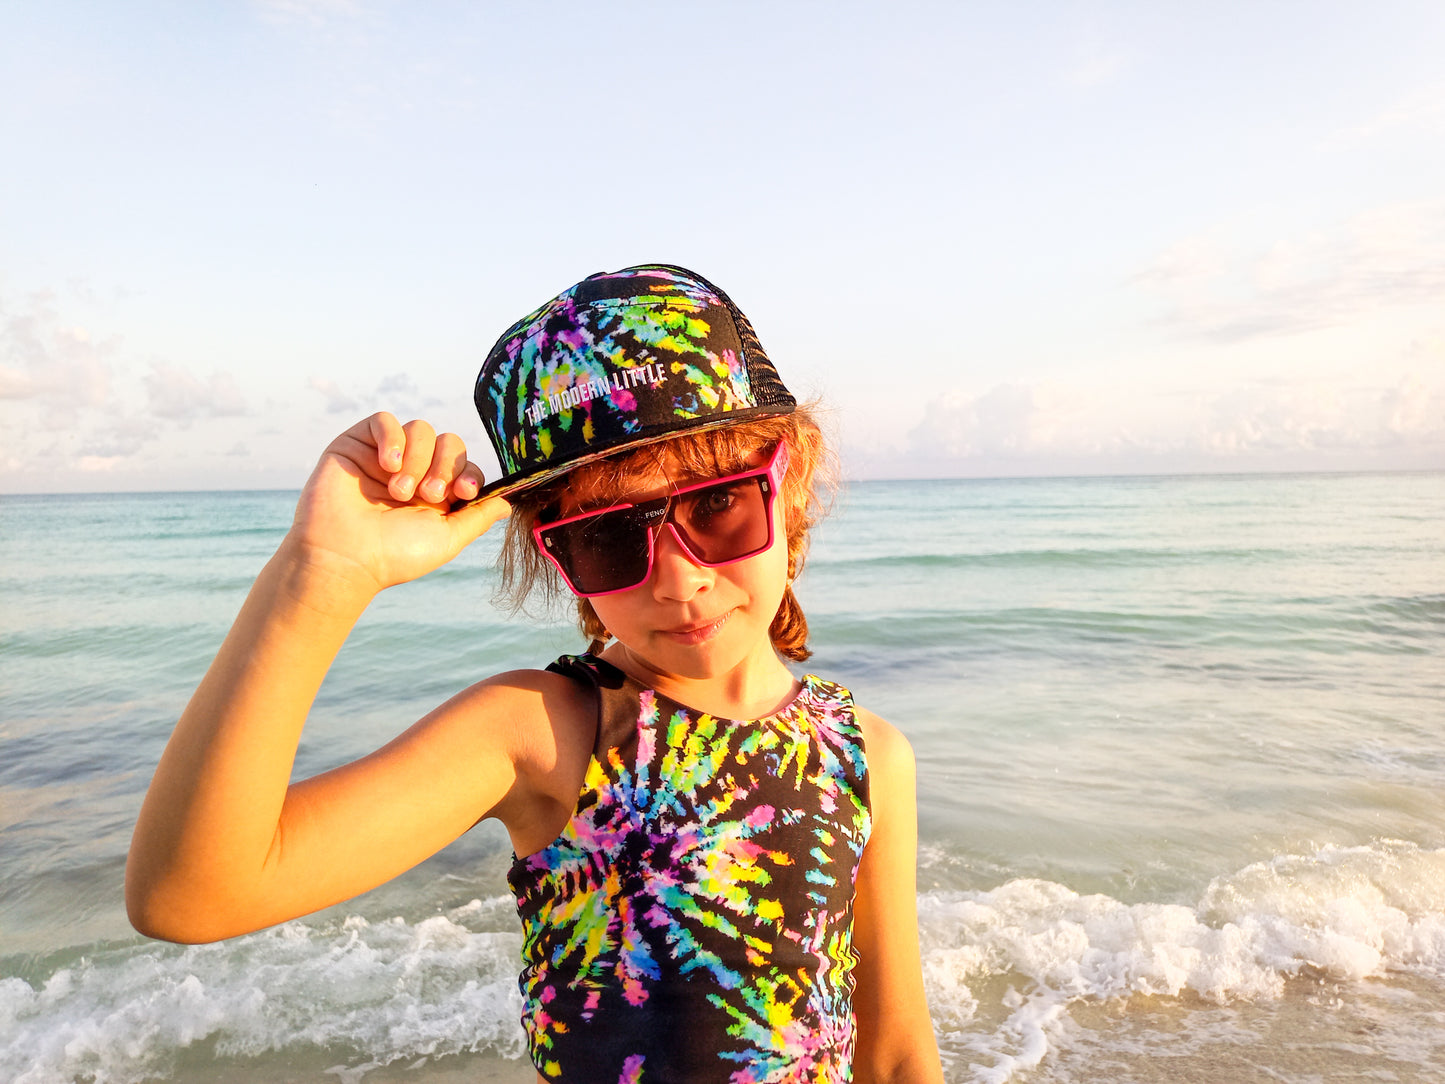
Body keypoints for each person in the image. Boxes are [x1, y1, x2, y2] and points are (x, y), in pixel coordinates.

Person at [127, 264, 944, 1083]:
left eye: (716, 505)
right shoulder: (547, 730)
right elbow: (189, 895)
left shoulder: (867, 752)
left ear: (790, 477)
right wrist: (325, 570)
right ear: (556, 554)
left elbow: (895, 1047)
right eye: (608, 537)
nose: (677, 578)